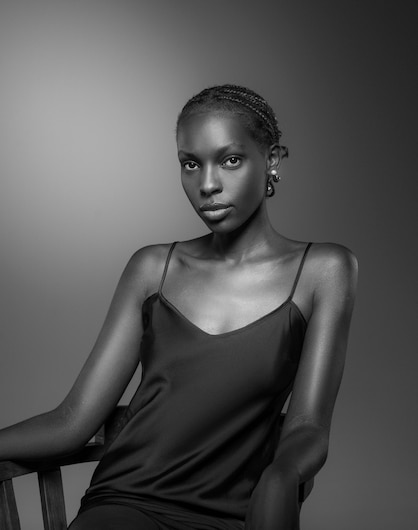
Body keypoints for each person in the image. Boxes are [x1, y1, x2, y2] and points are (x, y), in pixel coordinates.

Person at [0, 84, 358, 530]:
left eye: (229, 160)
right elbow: (73, 420)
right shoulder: (153, 268)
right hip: (125, 505)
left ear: (270, 160)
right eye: (191, 164)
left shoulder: (324, 270)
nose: (207, 184)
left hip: (232, 515)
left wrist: (280, 480)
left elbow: (307, 425)